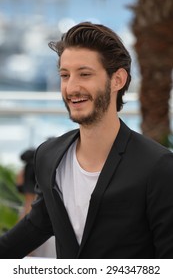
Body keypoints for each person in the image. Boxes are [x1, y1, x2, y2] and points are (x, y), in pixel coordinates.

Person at [0, 21, 173, 259]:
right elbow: (36, 226)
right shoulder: (48, 157)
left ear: (117, 80)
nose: (71, 87)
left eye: (85, 74)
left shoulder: (158, 167)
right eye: (64, 75)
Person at [16, 149, 36, 219]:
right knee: (29, 204)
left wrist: (20, 188)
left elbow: (19, 178)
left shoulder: (26, 167)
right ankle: (25, 220)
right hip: (31, 188)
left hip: (27, 188)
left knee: (27, 205)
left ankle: (23, 220)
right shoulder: (34, 165)